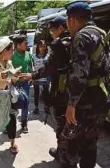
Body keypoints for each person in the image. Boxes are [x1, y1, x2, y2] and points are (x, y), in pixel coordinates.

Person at [58, 2, 110, 168]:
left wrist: (71, 104)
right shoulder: (101, 33)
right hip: (102, 97)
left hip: (86, 102)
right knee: (90, 143)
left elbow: (79, 75)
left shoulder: (82, 37)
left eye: (68, 20)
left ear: (73, 19)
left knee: (69, 145)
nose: (67, 25)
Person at [31, 16, 71, 159]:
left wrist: (32, 76)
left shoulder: (60, 45)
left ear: (61, 28)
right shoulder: (77, 39)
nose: (52, 34)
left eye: (53, 30)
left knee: (62, 124)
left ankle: (63, 155)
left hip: (63, 92)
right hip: (78, 92)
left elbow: (49, 68)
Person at [11, 34, 33, 133]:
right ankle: (10, 125)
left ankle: (24, 124)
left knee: (25, 103)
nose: (27, 45)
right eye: (25, 43)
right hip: (13, 84)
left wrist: (31, 76)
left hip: (25, 84)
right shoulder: (11, 55)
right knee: (12, 104)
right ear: (18, 45)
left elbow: (30, 67)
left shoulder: (28, 54)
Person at [32, 40, 50, 115]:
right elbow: (32, 66)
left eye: (44, 46)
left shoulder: (48, 56)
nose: (42, 48)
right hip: (36, 77)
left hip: (45, 78)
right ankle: (36, 108)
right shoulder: (33, 56)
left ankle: (46, 107)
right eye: (41, 46)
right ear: (38, 47)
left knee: (46, 93)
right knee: (36, 93)